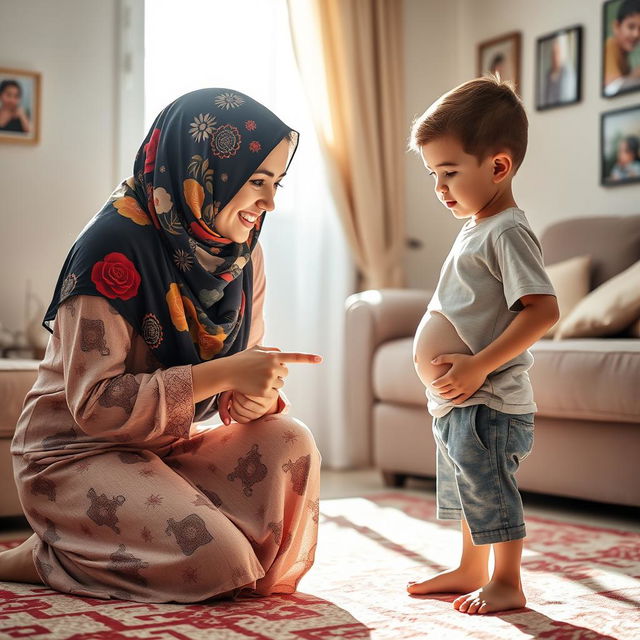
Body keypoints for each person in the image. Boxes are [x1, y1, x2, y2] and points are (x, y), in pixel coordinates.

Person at [3, 88, 323, 603]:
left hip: (163, 450)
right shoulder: (111, 247)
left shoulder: (241, 256)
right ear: (205, 170)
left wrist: (251, 395)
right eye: (257, 181)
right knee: (218, 562)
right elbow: (94, 406)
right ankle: (47, 556)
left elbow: (230, 402)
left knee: (290, 440)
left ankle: (136, 535)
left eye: (277, 182)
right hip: (74, 455)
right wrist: (224, 375)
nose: (270, 201)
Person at [406, 76, 559, 614]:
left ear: (498, 167)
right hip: (458, 401)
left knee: (491, 488)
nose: (440, 187)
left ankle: (508, 580)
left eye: (450, 172)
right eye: (433, 174)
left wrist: (478, 367)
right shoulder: (476, 226)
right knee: (469, 486)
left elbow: (542, 310)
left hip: (488, 400)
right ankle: (471, 568)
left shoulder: (507, 231)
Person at [604, 0, 640, 96]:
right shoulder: (610, 46)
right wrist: (636, 74)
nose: (636, 34)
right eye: (631, 27)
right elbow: (612, 87)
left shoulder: (625, 55)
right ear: (616, 26)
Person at [542, 33, 576, 106]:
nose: (554, 57)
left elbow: (567, 96)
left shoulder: (567, 72)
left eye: (557, 53)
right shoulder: (548, 74)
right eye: (553, 53)